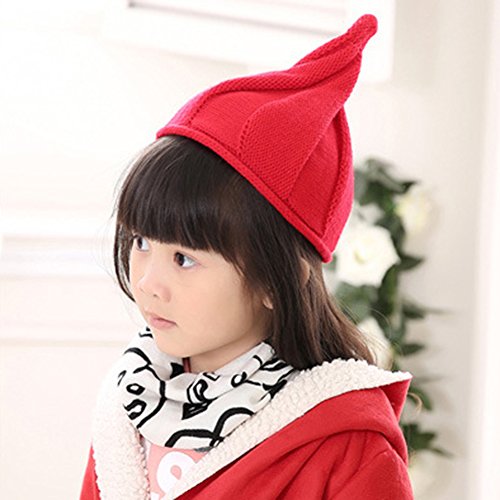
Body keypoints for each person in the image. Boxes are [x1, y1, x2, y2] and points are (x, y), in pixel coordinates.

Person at [79, 13, 414, 500]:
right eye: (142, 242)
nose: (147, 281)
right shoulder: (130, 401)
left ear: (276, 280)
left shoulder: (348, 450)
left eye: (184, 259)